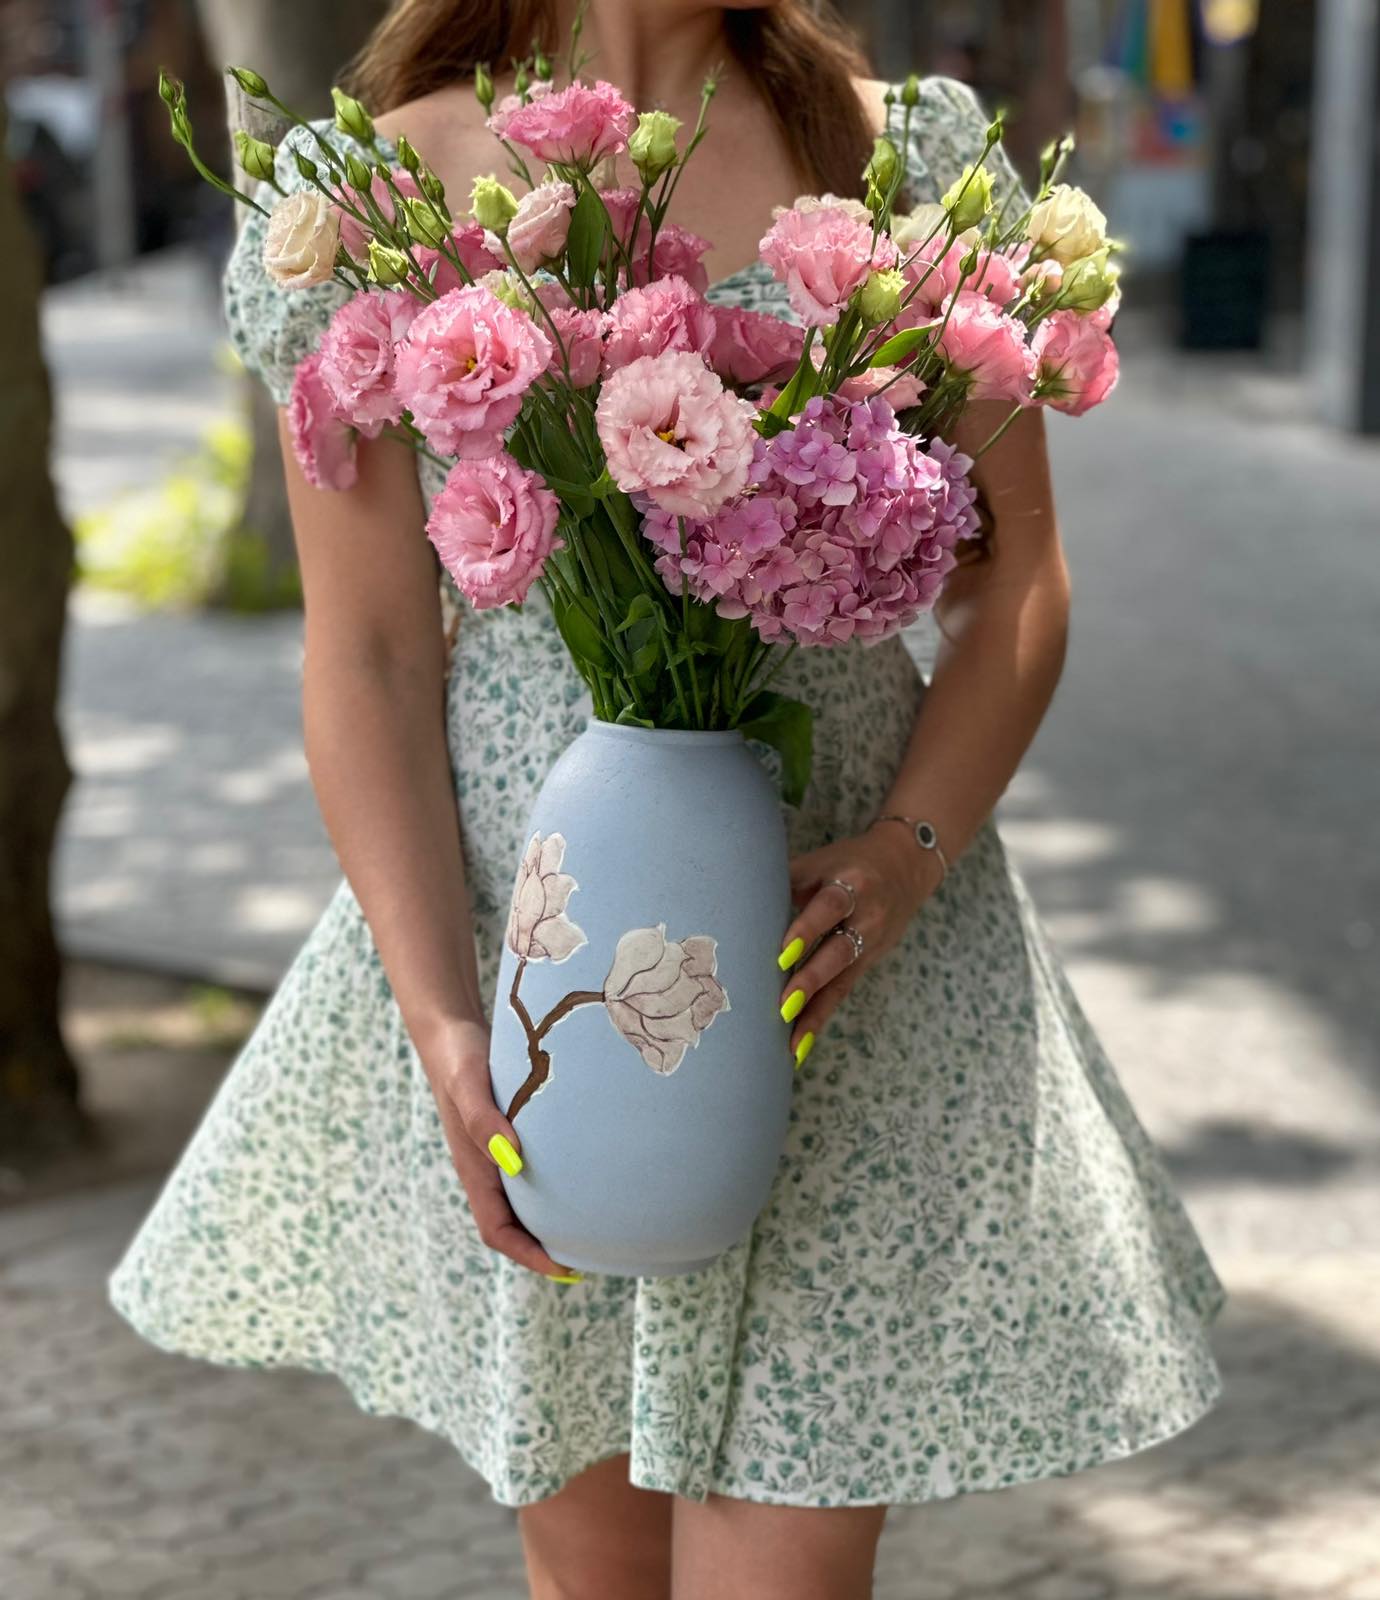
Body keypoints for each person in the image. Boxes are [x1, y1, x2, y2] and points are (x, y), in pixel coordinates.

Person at [109, 3, 1225, 1596]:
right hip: (535, 976)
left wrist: (909, 858)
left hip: (837, 984)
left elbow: (1017, 586)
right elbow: (366, 657)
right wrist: (441, 1020)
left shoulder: (906, 160)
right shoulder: (377, 195)